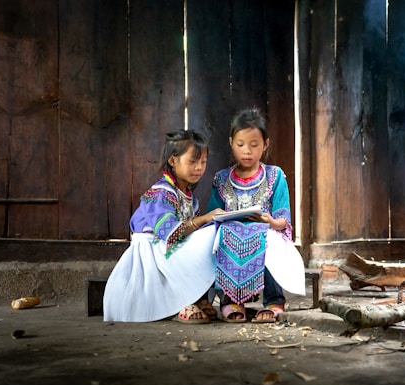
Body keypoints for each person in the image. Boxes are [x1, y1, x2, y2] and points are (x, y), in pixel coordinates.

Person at [103, 130, 223, 323]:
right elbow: (171, 234)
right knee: (207, 232)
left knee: (214, 235)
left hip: (168, 250)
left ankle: (197, 298)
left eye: (203, 162)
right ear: (173, 161)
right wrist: (206, 218)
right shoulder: (161, 192)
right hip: (153, 254)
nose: (199, 167)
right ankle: (181, 302)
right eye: (192, 161)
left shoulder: (190, 198)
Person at [208, 108, 305, 323]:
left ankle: (273, 301)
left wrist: (271, 221)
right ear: (231, 142)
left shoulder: (275, 175)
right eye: (240, 145)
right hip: (231, 233)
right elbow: (212, 217)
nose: (247, 151)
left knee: (267, 238)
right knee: (223, 235)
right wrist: (223, 218)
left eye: (254, 145)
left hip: (265, 231)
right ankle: (231, 301)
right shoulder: (221, 178)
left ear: (265, 144)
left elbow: (283, 221)